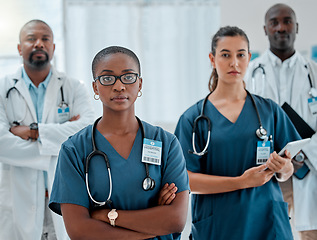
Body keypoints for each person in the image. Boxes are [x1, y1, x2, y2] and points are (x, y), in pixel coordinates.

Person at [49, 46, 190, 239]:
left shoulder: (166, 143)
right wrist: (151, 227)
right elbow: (80, 231)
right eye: (107, 78)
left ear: (139, 84)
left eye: (128, 77)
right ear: (95, 87)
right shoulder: (74, 150)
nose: (119, 86)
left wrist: (108, 216)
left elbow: (175, 220)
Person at [174, 26, 301, 240]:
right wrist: (240, 182)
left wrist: (284, 169)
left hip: (267, 223)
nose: (234, 63)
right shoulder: (193, 119)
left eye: (241, 54)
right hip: (220, 224)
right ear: (212, 59)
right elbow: (184, 180)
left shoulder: (269, 111)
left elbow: (291, 163)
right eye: (225, 55)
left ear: (249, 57)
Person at [0, 19, 94, 240]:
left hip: (63, 197)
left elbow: (87, 132)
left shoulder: (73, 87)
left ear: (53, 47)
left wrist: (33, 133)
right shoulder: (3, 88)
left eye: (45, 39)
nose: (39, 44)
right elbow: (2, 144)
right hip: (17, 196)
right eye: (31, 39)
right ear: (19, 48)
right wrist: (59, 144)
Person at [244, 4, 317, 239]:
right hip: (269, 168)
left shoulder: (313, 71)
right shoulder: (250, 73)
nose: (281, 27)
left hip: (309, 168)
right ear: (265, 29)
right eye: (274, 23)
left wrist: (303, 154)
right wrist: (281, 159)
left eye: (287, 21)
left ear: (296, 27)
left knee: (310, 233)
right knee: (271, 232)